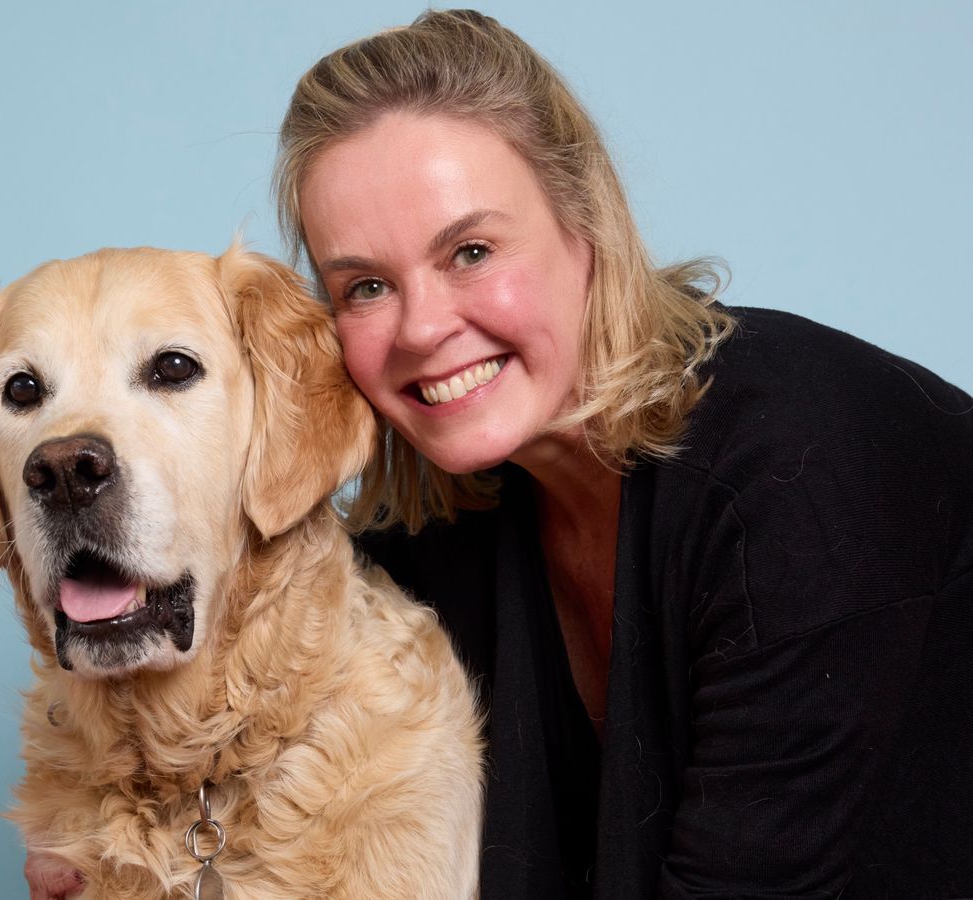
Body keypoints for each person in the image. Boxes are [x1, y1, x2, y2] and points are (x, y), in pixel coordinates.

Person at [275, 8, 973, 899]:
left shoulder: (798, 467)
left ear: (587, 225)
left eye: (472, 251)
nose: (421, 327)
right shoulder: (436, 548)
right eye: (365, 286)